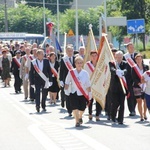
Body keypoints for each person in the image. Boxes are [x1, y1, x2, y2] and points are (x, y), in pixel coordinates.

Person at [65, 56, 92, 127]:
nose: (79, 64)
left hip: (83, 93)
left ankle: (80, 116)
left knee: (82, 108)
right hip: (73, 92)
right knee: (75, 107)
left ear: (82, 64)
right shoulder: (71, 72)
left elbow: (88, 84)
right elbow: (67, 82)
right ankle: (77, 121)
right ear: (75, 64)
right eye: (78, 63)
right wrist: (66, 90)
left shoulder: (85, 73)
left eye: (81, 63)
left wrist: (90, 93)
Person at [109, 51, 127, 124]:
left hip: (122, 87)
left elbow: (126, 70)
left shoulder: (125, 63)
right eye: (118, 57)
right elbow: (111, 69)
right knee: (115, 103)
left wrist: (122, 72)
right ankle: (113, 117)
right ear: (115, 57)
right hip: (114, 87)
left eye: (120, 57)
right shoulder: (112, 63)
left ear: (122, 57)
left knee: (122, 104)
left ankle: (120, 119)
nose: (119, 58)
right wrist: (116, 71)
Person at [84, 50, 102, 121]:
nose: (94, 57)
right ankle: (90, 113)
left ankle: (97, 114)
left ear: (97, 56)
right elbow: (85, 75)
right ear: (90, 57)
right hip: (90, 85)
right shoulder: (87, 65)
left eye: (95, 56)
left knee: (98, 100)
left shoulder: (100, 64)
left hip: (98, 85)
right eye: (92, 56)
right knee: (90, 100)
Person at [131, 54, 149, 121]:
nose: (139, 60)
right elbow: (133, 77)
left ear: (142, 59)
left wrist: (144, 82)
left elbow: (148, 75)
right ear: (135, 60)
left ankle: (145, 114)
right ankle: (141, 115)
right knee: (139, 101)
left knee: (145, 101)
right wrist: (139, 83)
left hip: (145, 86)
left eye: (140, 59)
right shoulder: (133, 68)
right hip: (137, 86)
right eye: (137, 59)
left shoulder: (146, 67)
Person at [59, 45, 75, 116]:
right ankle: (69, 110)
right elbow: (61, 70)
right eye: (68, 51)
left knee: (74, 94)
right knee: (68, 95)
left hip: (75, 80)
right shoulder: (64, 59)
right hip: (67, 80)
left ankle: (74, 108)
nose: (70, 52)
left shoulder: (76, 58)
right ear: (66, 51)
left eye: (71, 50)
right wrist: (61, 80)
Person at [124, 42, 138, 116]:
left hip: (136, 78)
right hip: (128, 79)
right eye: (130, 47)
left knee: (136, 94)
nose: (132, 49)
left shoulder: (137, 56)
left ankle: (134, 108)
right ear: (127, 48)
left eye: (133, 47)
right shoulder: (125, 57)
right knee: (130, 94)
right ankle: (131, 110)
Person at [105, 48, 118, 120]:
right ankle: (109, 113)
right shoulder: (109, 62)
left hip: (117, 83)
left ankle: (114, 114)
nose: (114, 55)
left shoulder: (118, 62)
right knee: (109, 99)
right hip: (109, 82)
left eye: (115, 54)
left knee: (115, 100)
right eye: (112, 53)